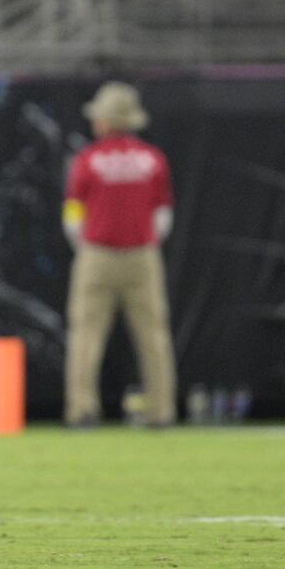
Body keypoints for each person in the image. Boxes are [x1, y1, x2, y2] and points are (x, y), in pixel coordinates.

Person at [62, 82, 176, 429]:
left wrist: (87, 246)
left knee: (85, 336)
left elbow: (71, 214)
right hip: (142, 256)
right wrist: (143, 243)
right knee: (153, 337)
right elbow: (163, 216)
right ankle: (161, 412)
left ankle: (82, 411)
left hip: (96, 255)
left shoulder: (88, 160)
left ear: (104, 122)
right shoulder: (153, 160)